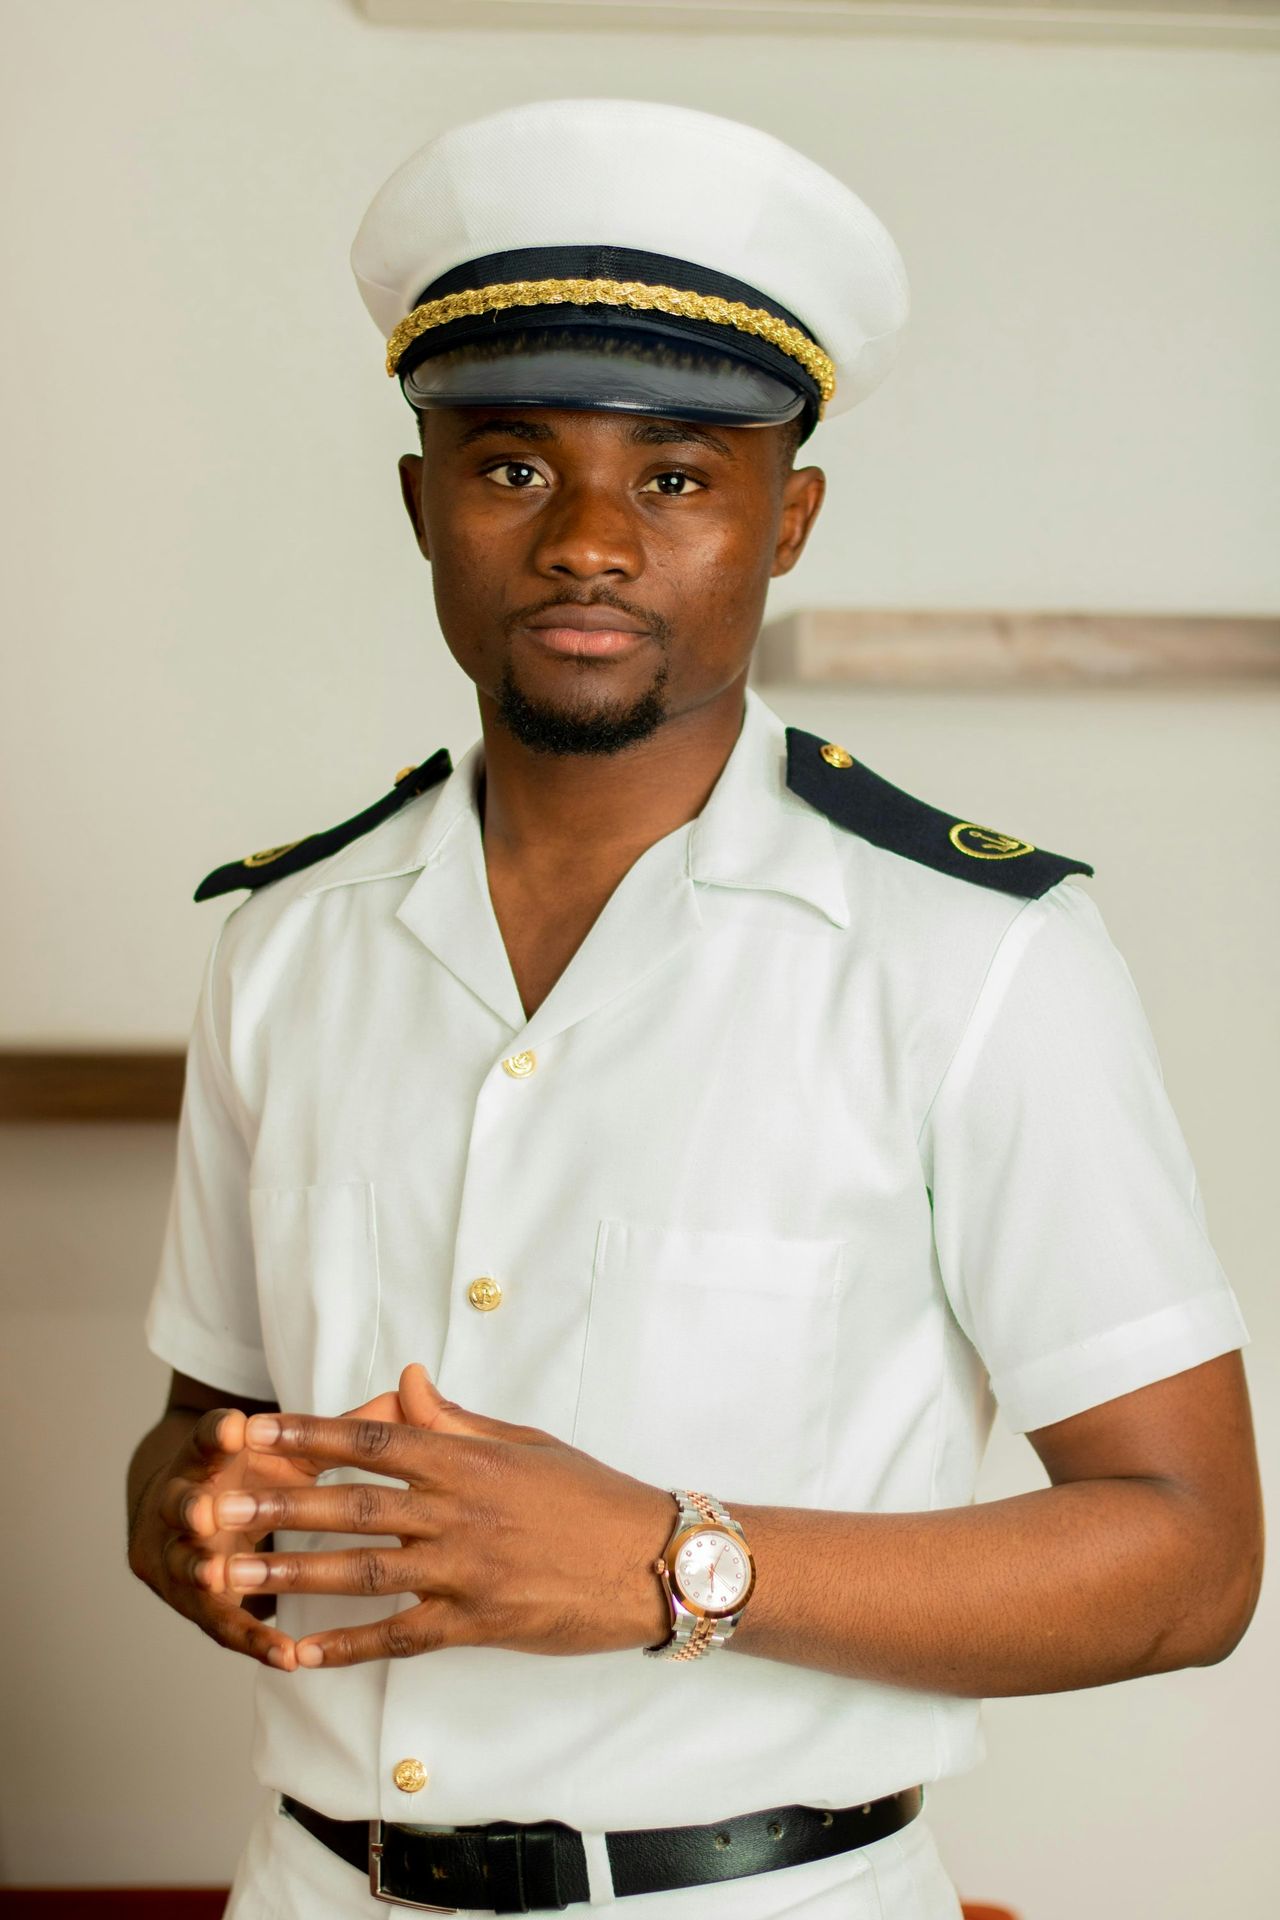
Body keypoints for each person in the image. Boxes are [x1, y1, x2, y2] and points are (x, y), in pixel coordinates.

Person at [126, 99, 1263, 1920]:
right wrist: (182, 1517)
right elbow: (202, 1434)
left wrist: (674, 1562)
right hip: (310, 1890)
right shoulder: (286, 943)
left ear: (785, 518)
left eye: (673, 475)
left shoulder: (970, 954)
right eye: (511, 466)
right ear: (419, 498)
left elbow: (1192, 1565)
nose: (587, 538)